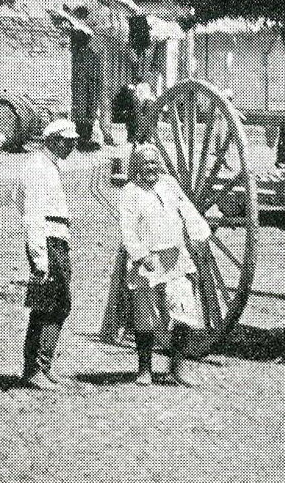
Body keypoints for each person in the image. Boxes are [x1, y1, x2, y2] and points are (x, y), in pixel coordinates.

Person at [103, 143, 212, 386]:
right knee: (146, 315)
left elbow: (188, 209)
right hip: (147, 262)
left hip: (175, 258)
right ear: (136, 167)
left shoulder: (169, 184)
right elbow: (127, 229)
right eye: (145, 163)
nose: (151, 167)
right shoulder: (130, 192)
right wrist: (141, 255)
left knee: (183, 309)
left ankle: (176, 367)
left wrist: (200, 234)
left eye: (154, 162)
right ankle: (145, 369)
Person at [18, 118, 78, 388]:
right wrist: (40, 256)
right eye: (68, 141)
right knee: (49, 305)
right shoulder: (37, 168)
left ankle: (40, 366)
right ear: (54, 140)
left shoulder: (48, 166)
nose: (73, 146)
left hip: (57, 241)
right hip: (48, 242)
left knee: (57, 304)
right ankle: (35, 369)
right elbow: (32, 215)